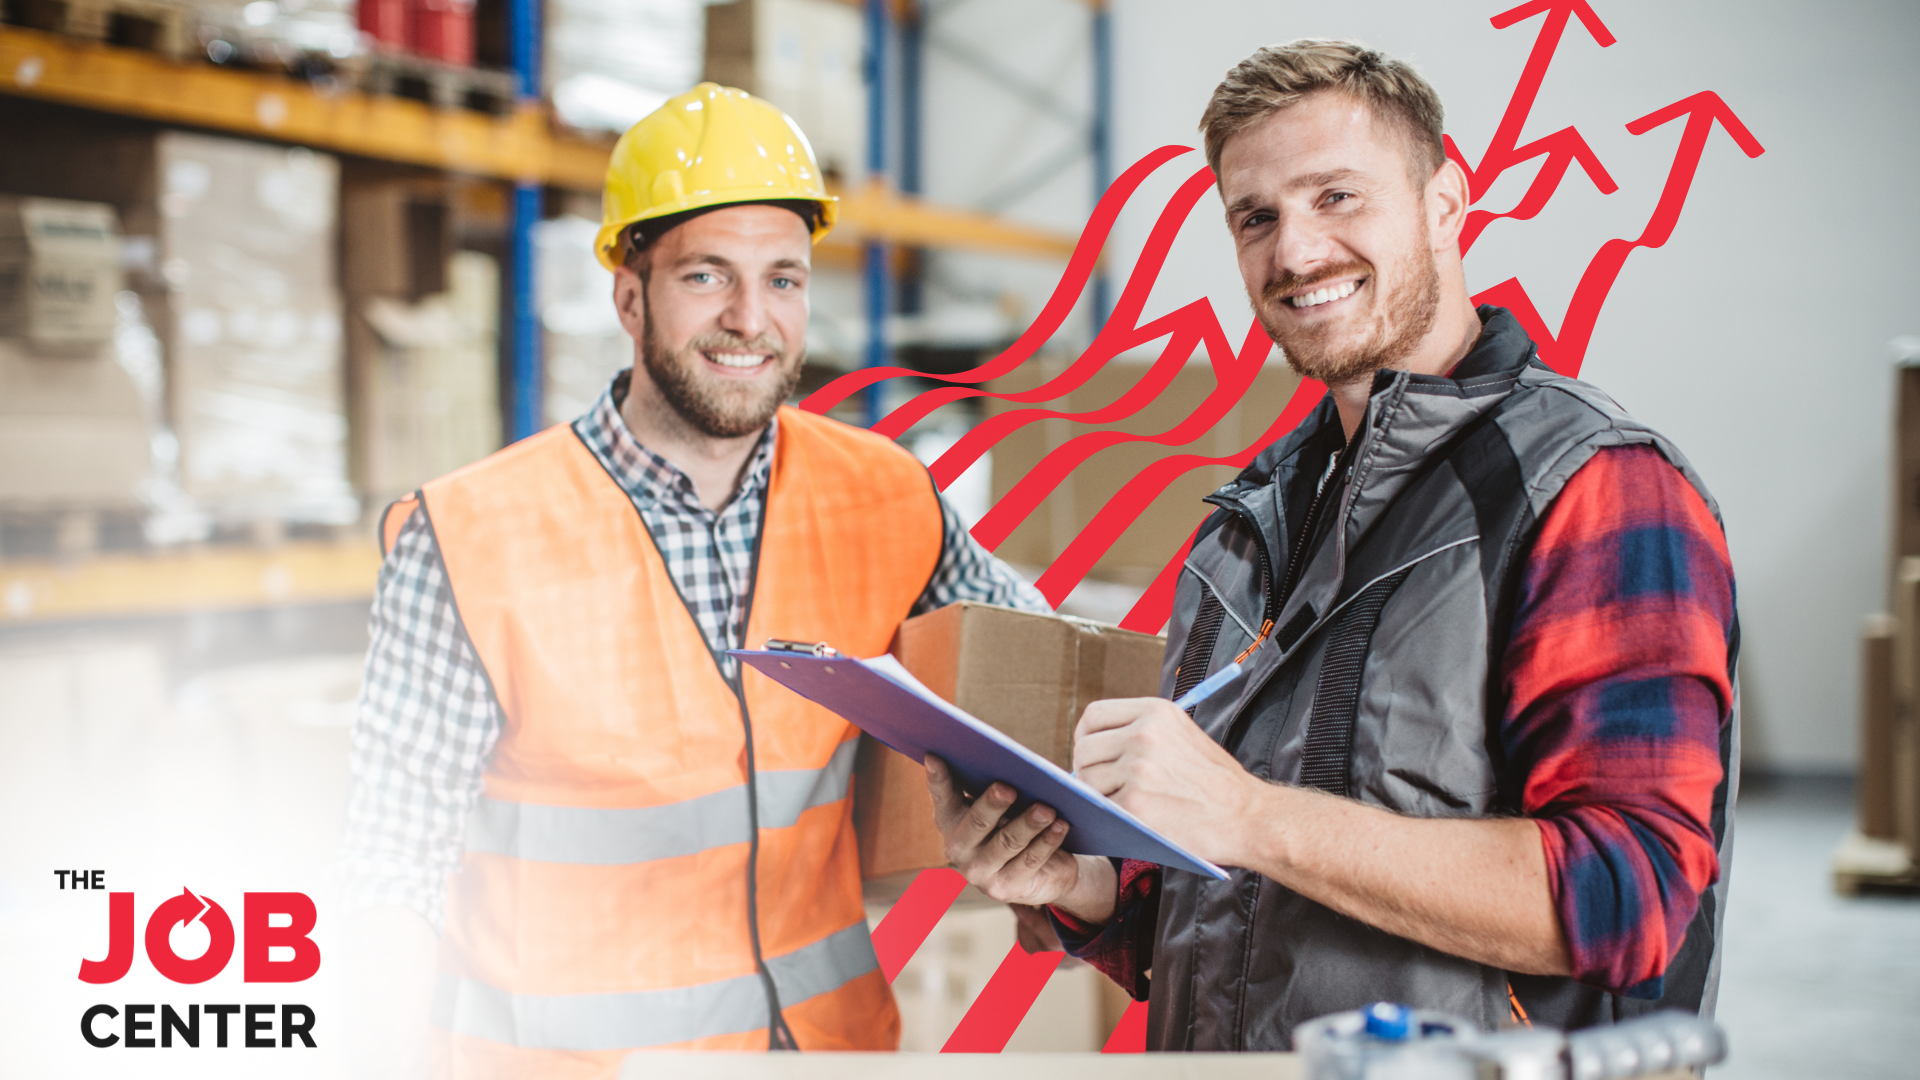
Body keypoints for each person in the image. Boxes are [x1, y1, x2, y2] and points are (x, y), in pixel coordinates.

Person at [931, 40, 1738, 1048]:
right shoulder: (1247, 523)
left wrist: (1252, 815)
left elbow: (1635, 898)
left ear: (1446, 203)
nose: (1296, 254)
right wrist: (1081, 888)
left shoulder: (1593, 489)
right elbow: (1213, 922)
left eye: (1337, 198)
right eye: (1256, 218)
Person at [335, 83, 1048, 1078]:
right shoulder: (468, 539)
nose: (750, 319)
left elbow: (1043, 686)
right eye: (708, 276)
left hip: (824, 1055)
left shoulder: (885, 498)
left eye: (785, 280)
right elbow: (390, 864)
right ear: (631, 295)